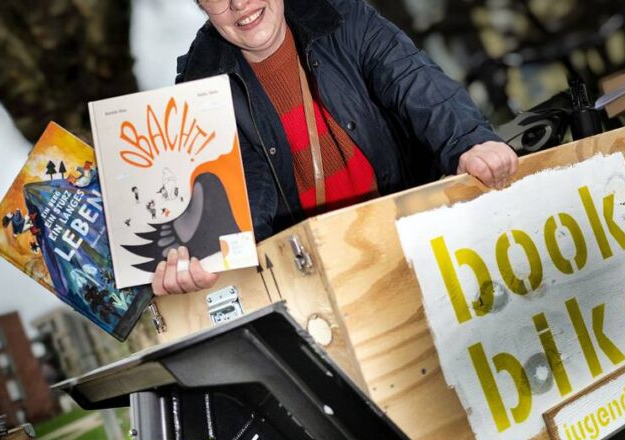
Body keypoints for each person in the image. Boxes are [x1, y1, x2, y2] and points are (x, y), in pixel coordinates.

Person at [152, 0, 518, 296]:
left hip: (411, 237)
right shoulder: (199, 87)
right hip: (319, 282)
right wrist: (207, 264)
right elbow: (240, 207)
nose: (239, 4)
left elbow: (412, 81)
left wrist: (470, 142)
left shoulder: (341, 15)